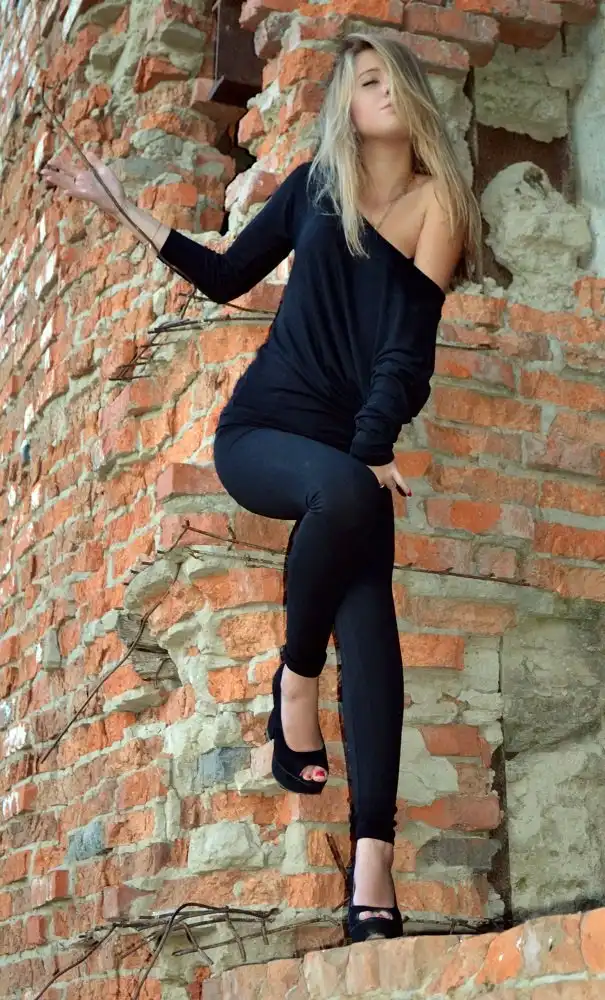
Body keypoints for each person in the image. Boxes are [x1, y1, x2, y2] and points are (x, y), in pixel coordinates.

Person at [41, 30, 480, 942]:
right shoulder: (314, 185)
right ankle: (296, 678)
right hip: (263, 433)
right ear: (344, 104)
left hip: (348, 450)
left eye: (391, 78)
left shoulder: (437, 203)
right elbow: (225, 274)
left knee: (375, 625)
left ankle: (373, 861)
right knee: (350, 500)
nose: (381, 93)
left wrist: (369, 442)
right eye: (363, 81)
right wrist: (121, 204)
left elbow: (406, 351)